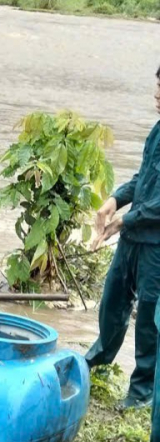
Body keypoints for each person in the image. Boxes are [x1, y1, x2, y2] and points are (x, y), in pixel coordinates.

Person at [89, 65, 160, 410]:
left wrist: (122, 222)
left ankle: (143, 390)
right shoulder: (157, 131)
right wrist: (115, 199)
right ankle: (97, 360)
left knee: (148, 315)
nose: (157, 98)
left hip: (155, 246)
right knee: (113, 298)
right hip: (134, 235)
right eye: (157, 91)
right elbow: (143, 178)